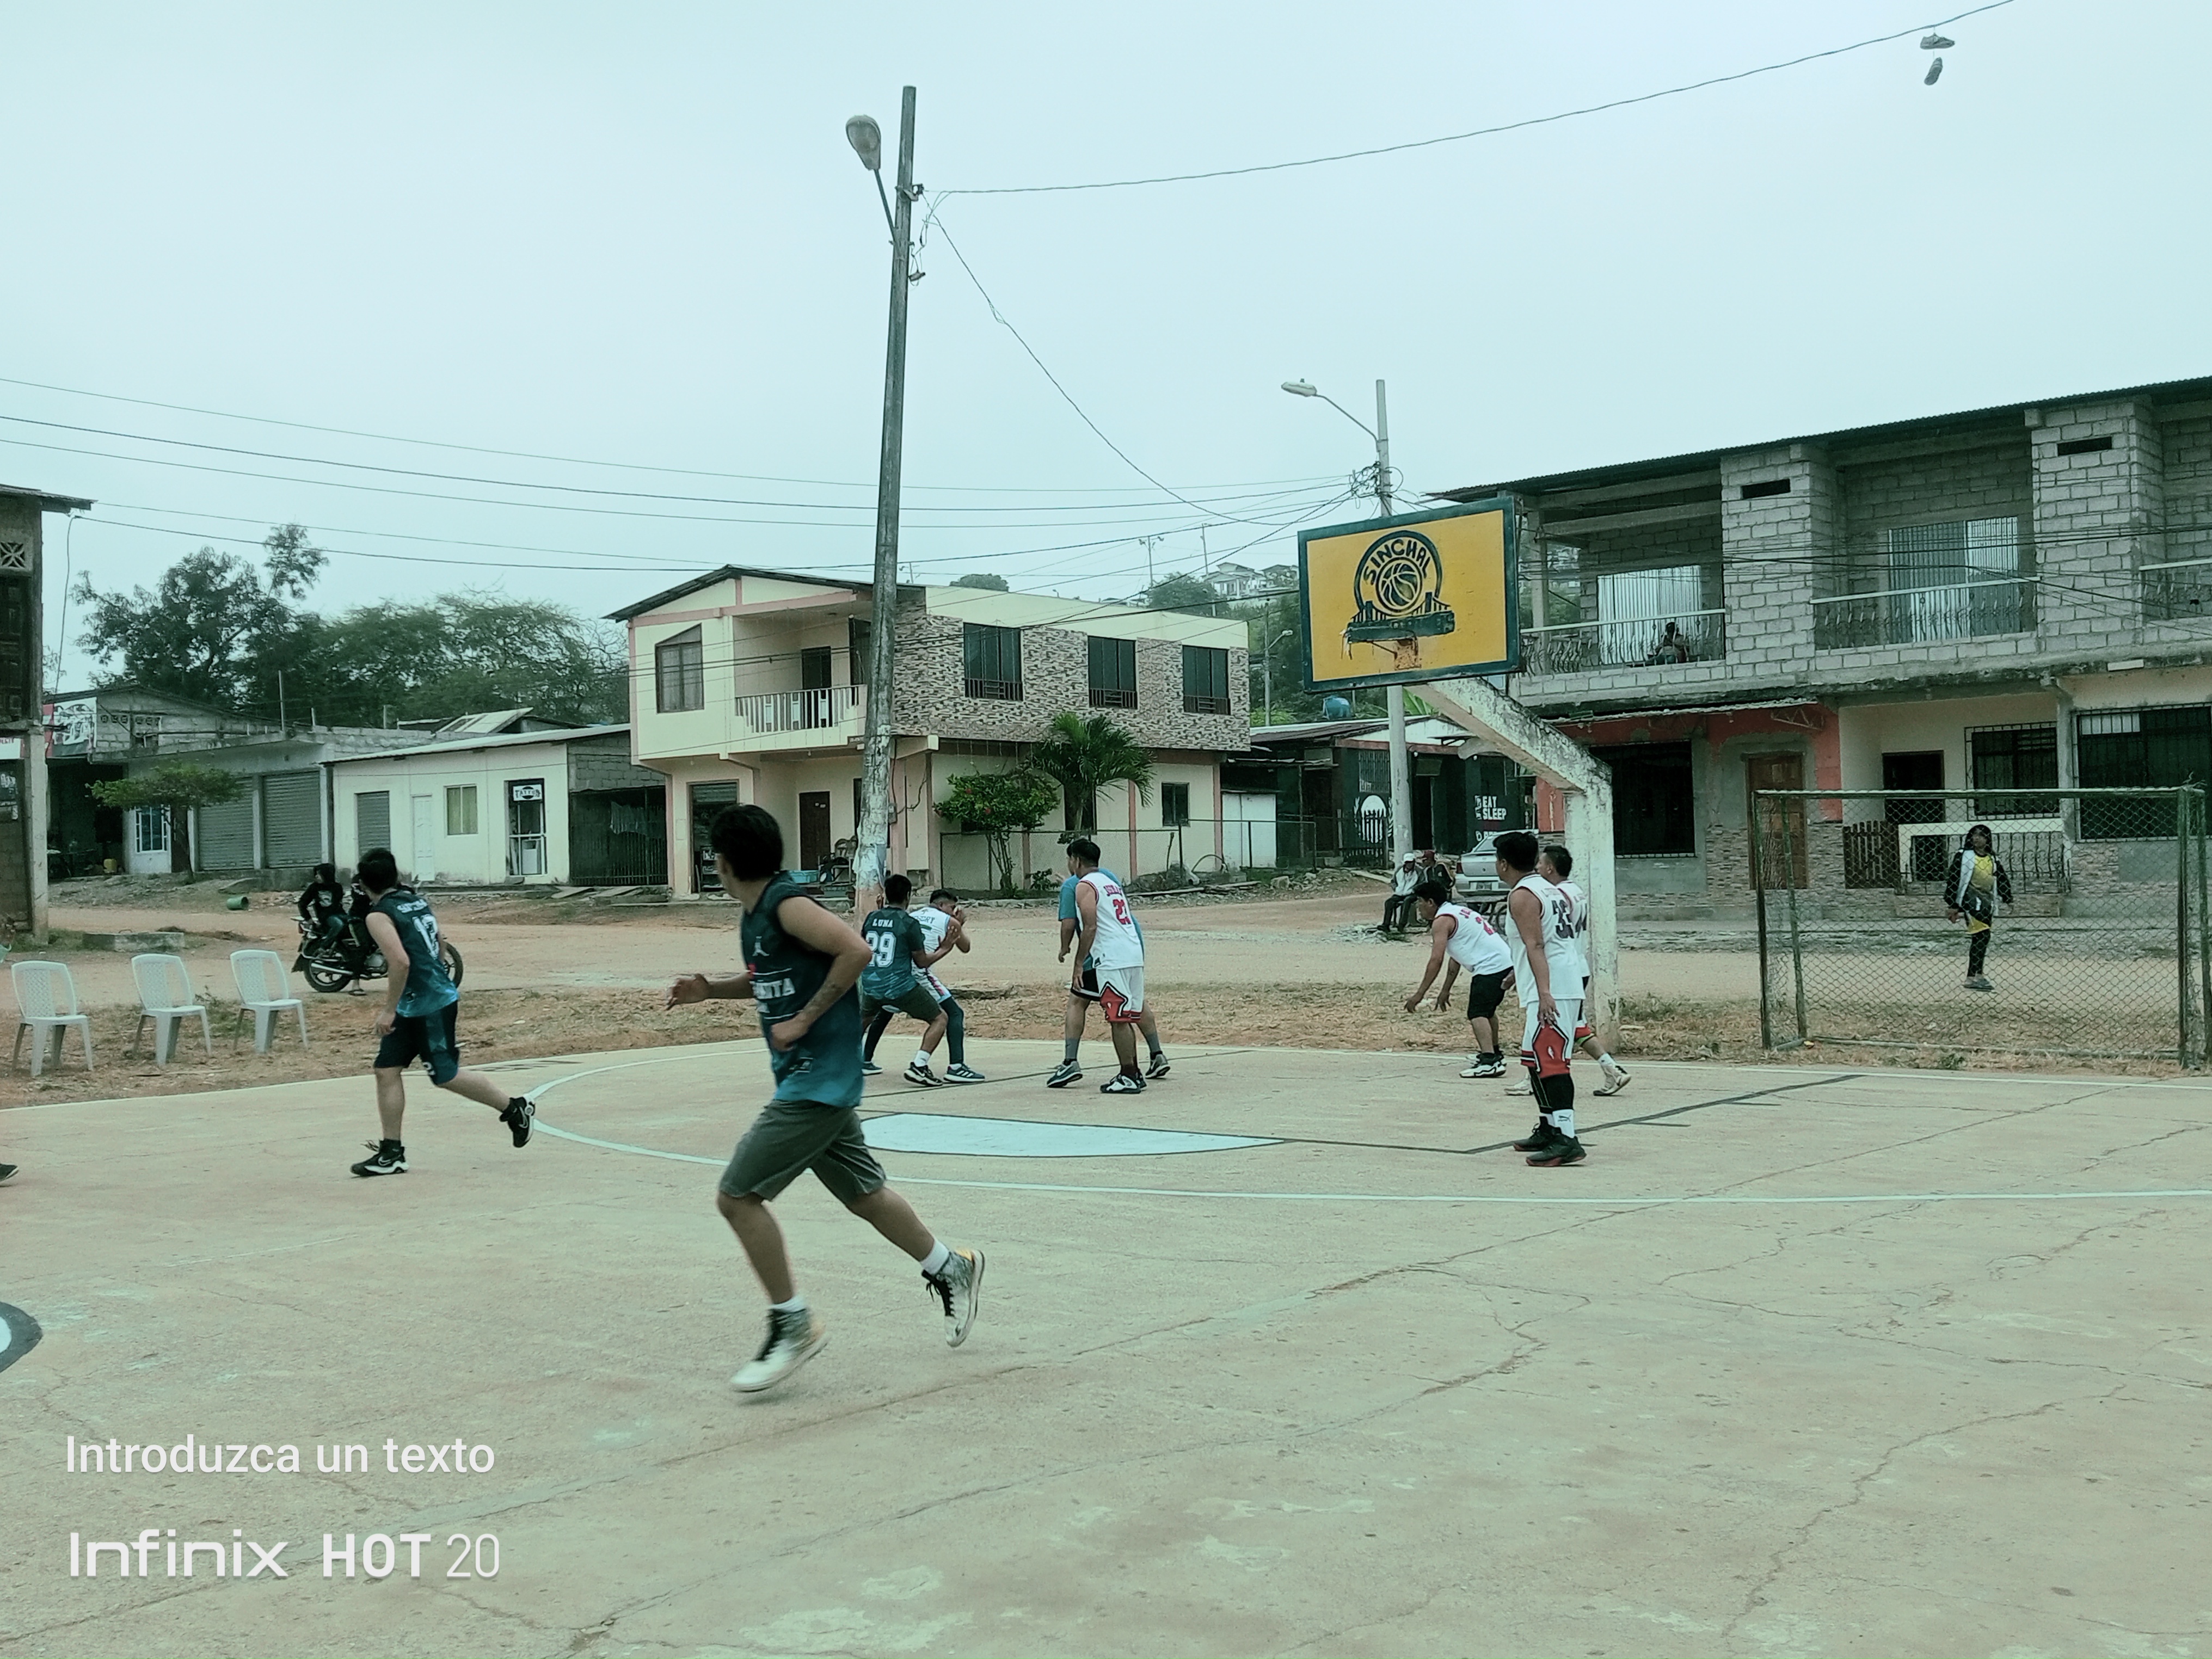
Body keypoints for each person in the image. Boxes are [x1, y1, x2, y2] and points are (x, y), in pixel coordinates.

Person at [665, 804, 984, 1395]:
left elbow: (854, 952)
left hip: (818, 1081)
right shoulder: (757, 914)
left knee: (737, 1197)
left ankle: (793, 1323)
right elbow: (769, 977)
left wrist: (805, 1020)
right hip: (813, 1079)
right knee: (866, 1195)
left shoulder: (787, 905)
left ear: (724, 862)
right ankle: (951, 1267)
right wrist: (711, 990)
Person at [347, 849, 536, 1178]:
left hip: (429, 1005)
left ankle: (514, 1108)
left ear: (363, 885)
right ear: (395, 875)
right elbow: (440, 942)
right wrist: (432, 971)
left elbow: (400, 962)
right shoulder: (414, 901)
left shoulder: (377, 916)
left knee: (445, 1076)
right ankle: (391, 1152)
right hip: (417, 1001)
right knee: (386, 1070)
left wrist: (388, 1010)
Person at [1496, 830, 1586, 1168]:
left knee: (1551, 1060)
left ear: (1504, 864)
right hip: (1556, 979)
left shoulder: (1523, 895)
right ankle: (1549, 1127)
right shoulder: (1549, 888)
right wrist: (1516, 974)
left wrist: (1545, 992)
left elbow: (1536, 944)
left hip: (1553, 986)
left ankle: (1567, 1137)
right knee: (1534, 1059)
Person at [1050, 846, 1169, 1089]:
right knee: (1129, 1014)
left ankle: (1128, 1075)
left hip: (1111, 957)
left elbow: (1090, 927)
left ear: (1076, 861)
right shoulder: (1109, 881)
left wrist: (1079, 963)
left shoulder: (1084, 886)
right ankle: (1136, 1071)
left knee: (1118, 1018)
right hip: (1132, 951)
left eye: (1070, 859)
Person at [1538, 845, 1631, 1097]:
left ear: (1550, 868)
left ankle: (1542, 1076)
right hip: (1578, 964)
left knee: (1552, 1024)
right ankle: (1612, 1069)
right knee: (1576, 1025)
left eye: (1540, 864)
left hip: (1564, 968)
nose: (1537, 868)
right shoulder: (1576, 891)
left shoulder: (1556, 895)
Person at [1400, 877, 1513, 1078]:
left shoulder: (1441, 921)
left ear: (1431, 903)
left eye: (1420, 902)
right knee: (1487, 1012)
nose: (1418, 907)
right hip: (1503, 963)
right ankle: (1495, 1054)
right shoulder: (1457, 912)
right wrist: (1445, 990)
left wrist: (1419, 994)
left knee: (1477, 1013)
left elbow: (1436, 960)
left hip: (1491, 967)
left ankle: (1489, 1062)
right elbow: (1457, 957)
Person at [857, 874, 956, 1087]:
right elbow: (922, 962)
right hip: (899, 986)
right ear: (908, 896)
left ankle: (840, 1061)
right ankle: (919, 1065)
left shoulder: (872, 918)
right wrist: (945, 949)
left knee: (862, 1021)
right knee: (940, 1019)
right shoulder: (909, 923)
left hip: (871, 983)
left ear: (886, 895)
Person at [1946, 824, 2012, 992]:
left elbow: (2001, 877)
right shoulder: (1964, 856)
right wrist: (1953, 904)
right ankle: (1973, 977)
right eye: (1974, 835)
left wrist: (2008, 897)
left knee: (1983, 937)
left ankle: (1977, 975)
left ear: (1987, 839)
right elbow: (1954, 878)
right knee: (1981, 936)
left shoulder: (1992, 858)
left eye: (1981, 835)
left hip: (1986, 902)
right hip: (1971, 901)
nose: (1976, 838)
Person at [297, 862, 347, 944]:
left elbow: (337, 904)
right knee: (339, 925)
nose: (316, 876)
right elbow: (302, 903)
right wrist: (309, 919)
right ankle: (325, 945)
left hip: (339, 914)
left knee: (356, 922)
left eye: (319, 874)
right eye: (316, 874)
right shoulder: (314, 888)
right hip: (325, 916)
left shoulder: (337, 887)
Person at [1381, 853, 1420, 935]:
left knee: (1407, 902)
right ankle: (1386, 925)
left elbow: (1422, 883)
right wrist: (1396, 888)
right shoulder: (1399, 870)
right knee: (1389, 903)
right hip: (1400, 893)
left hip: (1412, 893)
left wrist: (1415, 890)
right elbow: (1393, 881)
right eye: (1407, 862)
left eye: (1411, 862)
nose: (1409, 864)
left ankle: (1402, 925)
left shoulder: (1419, 871)